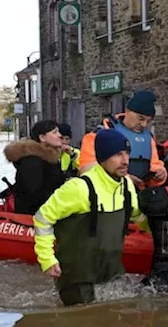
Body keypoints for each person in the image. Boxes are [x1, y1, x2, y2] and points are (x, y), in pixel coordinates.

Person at [33, 128, 152, 306]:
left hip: (111, 272)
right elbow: (43, 218)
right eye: (118, 155)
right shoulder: (80, 188)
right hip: (78, 278)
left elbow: (139, 217)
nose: (125, 161)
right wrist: (47, 259)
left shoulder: (126, 185)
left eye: (127, 153)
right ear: (103, 158)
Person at [79, 89, 167, 189]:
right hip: (108, 195)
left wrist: (159, 175)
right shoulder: (99, 134)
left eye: (148, 121)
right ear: (127, 111)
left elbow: (155, 165)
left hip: (139, 196)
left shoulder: (148, 138)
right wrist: (125, 179)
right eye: (140, 118)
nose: (144, 124)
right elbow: (86, 170)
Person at [4, 119, 77, 215]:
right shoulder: (32, 162)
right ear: (42, 137)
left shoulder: (51, 158)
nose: (60, 135)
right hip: (35, 221)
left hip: (49, 215)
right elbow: (33, 197)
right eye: (54, 132)